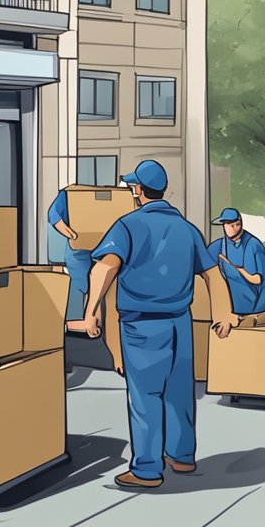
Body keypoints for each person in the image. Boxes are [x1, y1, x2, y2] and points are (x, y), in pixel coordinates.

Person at [81, 160, 237, 489]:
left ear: (138, 190)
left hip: (142, 324)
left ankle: (146, 470)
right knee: (180, 391)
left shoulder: (127, 226)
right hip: (180, 321)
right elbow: (212, 274)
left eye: (131, 187)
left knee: (146, 395)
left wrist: (91, 310)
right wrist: (223, 312)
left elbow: (104, 269)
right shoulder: (187, 229)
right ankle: (181, 457)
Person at [208, 207, 265, 316]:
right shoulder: (216, 247)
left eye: (237, 224)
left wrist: (262, 313)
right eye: (230, 225)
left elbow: (262, 281)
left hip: (250, 308)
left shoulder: (253, 245)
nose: (235, 229)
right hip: (224, 308)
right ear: (223, 225)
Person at [47, 187, 94, 321]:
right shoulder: (69, 194)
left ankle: (76, 320)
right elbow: (53, 214)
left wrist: (70, 234)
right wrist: (71, 234)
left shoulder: (70, 193)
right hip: (83, 246)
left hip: (80, 245)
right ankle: (77, 319)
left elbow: (53, 214)